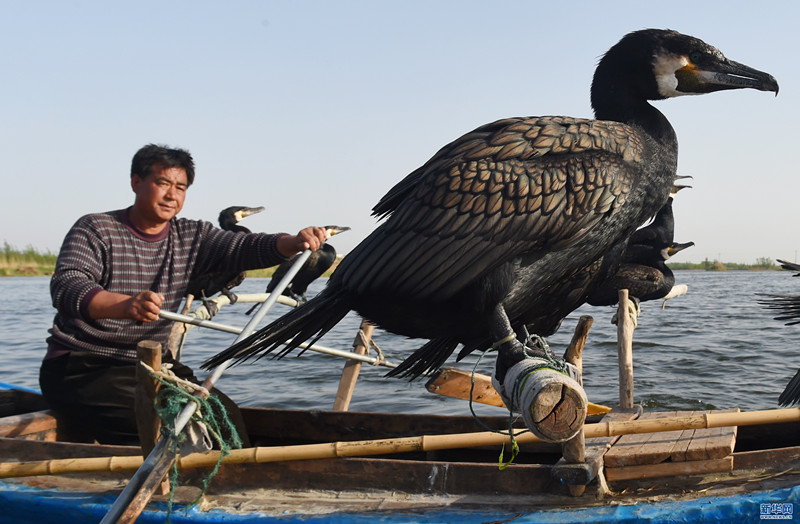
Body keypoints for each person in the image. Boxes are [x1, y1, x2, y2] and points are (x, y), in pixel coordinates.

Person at [40, 143, 328, 446]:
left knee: (225, 420)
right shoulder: (95, 228)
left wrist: (293, 242)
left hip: (154, 366)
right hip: (84, 367)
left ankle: (224, 487)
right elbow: (68, 286)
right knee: (168, 432)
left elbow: (245, 248)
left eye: (181, 187)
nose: (172, 195)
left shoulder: (192, 235)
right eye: (162, 183)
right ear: (136, 182)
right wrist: (126, 305)